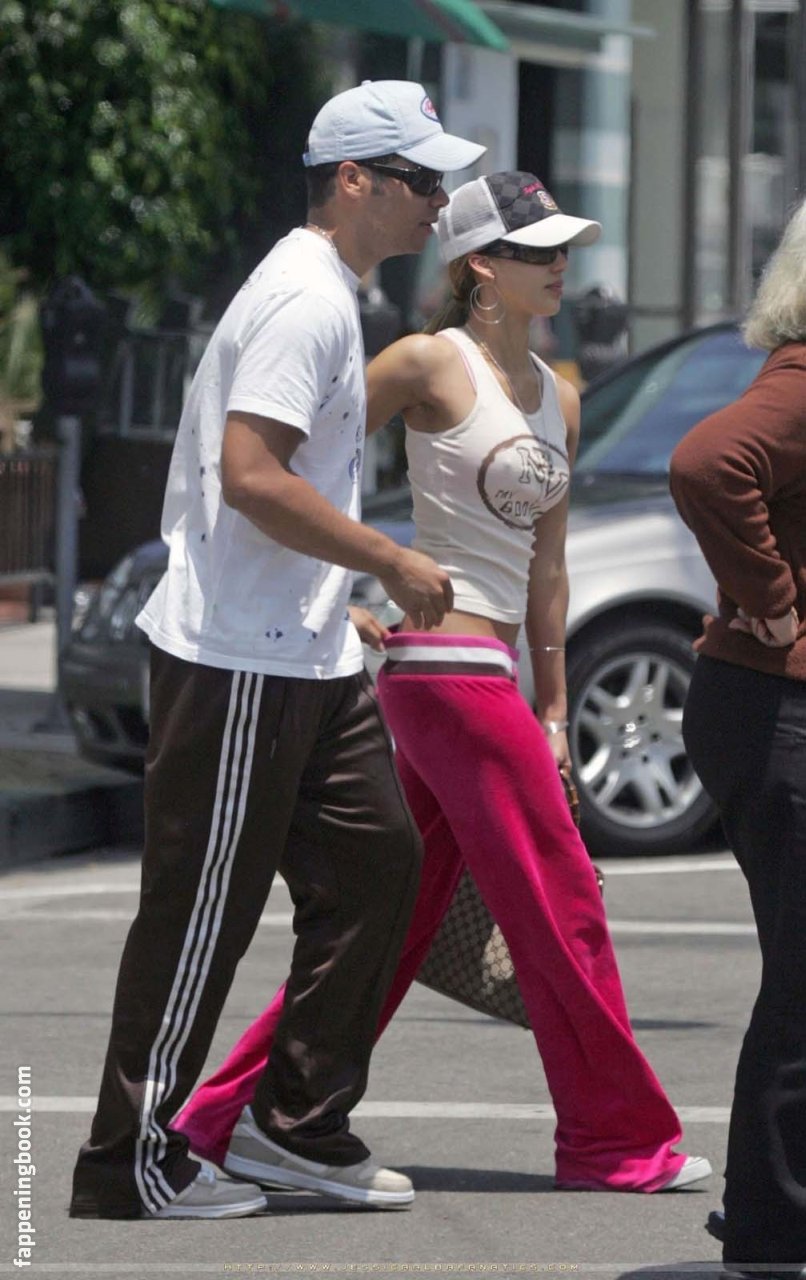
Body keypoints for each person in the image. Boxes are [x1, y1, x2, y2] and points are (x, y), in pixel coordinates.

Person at [175, 171, 711, 1196]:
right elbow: (296, 466)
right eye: (535, 249)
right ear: (479, 266)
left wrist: (554, 704)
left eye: (563, 247)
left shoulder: (559, 391)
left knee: (400, 912)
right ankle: (613, 1139)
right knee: (563, 904)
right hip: (440, 672)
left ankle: (230, 1117)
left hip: (495, 676)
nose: (559, 264)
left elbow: (548, 568)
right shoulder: (427, 359)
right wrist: (337, 586)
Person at [68, 79, 486, 1221]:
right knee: (202, 907)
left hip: (304, 648)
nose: (436, 201)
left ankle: (295, 1127)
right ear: (352, 180)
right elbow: (251, 476)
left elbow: (270, 485)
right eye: (418, 179)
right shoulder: (305, 299)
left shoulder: (331, 292)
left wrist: (335, 593)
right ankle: (127, 1159)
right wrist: (389, 561)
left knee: (377, 866)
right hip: (239, 657)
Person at [669, 198, 806, 1278]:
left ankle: (769, 1212)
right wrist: (769, 601)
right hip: (774, 706)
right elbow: (706, 462)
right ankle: (771, 1223)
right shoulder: (802, 377)